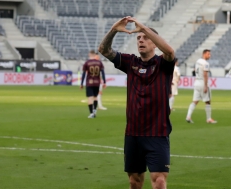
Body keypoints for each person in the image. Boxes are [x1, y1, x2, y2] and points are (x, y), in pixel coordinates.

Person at [98, 16, 175, 189]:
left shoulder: (163, 64)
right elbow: (103, 49)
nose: (141, 40)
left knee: (159, 181)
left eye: (145, 37)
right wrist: (113, 30)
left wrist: (144, 28)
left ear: (155, 43)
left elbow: (170, 52)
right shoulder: (130, 62)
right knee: (135, 182)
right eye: (138, 38)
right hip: (133, 134)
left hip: (157, 133)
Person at [186, 49, 217, 124]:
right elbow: (205, 74)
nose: (210, 55)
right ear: (204, 54)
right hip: (202, 82)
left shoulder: (198, 61)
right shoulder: (205, 63)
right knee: (208, 101)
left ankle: (188, 116)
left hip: (197, 82)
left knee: (195, 101)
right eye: (208, 54)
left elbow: (194, 70)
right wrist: (206, 86)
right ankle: (209, 119)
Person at [80, 50, 106, 118]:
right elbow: (103, 73)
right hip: (97, 83)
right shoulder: (99, 62)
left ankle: (91, 113)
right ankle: (94, 110)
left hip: (89, 82)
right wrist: (104, 82)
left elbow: (83, 74)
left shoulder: (87, 63)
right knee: (95, 97)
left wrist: (81, 83)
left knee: (90, 98)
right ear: (95, 55)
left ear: (89, 54)